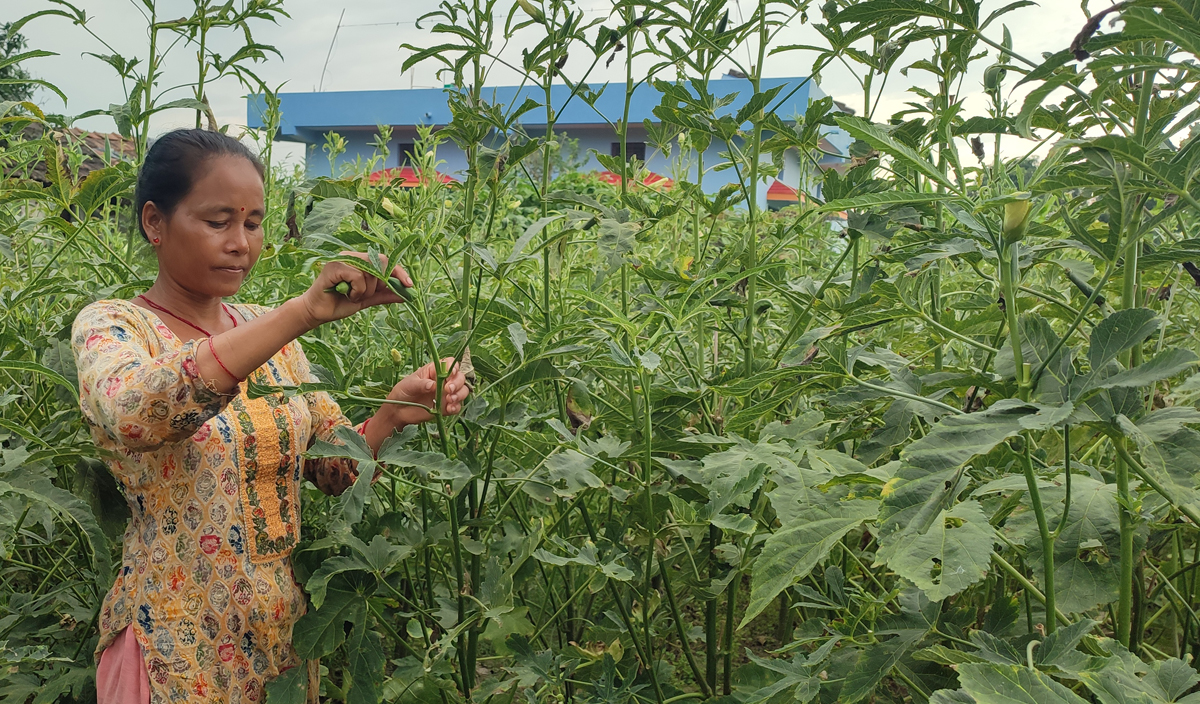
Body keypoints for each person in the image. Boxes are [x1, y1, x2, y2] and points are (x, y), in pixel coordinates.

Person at [71, 128, 470, 704]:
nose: (241, 243)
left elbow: (335, 471)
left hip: (279, 645)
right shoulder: (114, 326)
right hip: (173, 648)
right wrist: (301, 312)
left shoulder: (273, 335)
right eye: (218, 222)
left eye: (253, 223)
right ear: (154, 223)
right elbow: (137, 414)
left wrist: (393, 413)